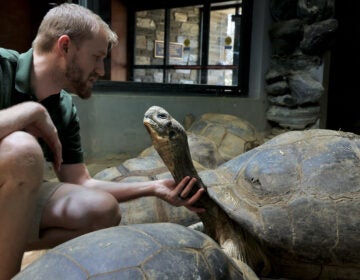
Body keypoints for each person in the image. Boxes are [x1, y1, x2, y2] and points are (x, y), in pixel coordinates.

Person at [0, 3, 204, 279]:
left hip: (9, 200)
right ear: (65, 46)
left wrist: (155, 188)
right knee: (23, 149)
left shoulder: (63, 108)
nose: (102, 69)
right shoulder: (2, 67)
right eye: (96, 57)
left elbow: (81, 182)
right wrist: (31, 112)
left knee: (101, 209)